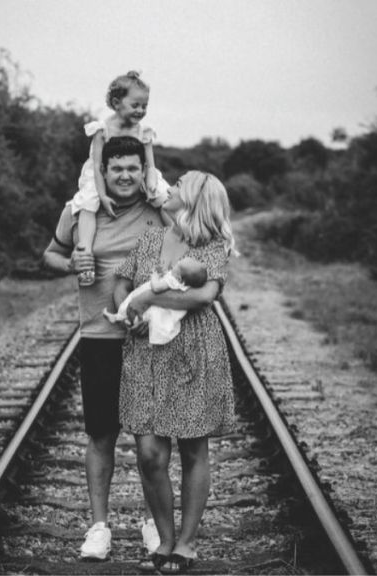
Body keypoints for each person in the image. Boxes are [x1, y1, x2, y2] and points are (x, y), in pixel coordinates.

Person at [42, 136, 165, 560]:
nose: (126, 175)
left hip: (150, 339)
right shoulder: (81, 210)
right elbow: (51, 254)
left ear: (142, 169)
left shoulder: (157, 209)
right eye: (117, 169)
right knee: (100, 435)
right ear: (104, 171)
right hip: (97, 337)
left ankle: (154, 525)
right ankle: (99, 528)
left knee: (150, 442)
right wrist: (70, 263)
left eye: (133, 167)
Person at [113, 171, 238, 574]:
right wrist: (127, 312)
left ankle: (184, 543)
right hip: (144, 350)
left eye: (178, 182)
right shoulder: (150, 237)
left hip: (192, 352)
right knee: (150, 453)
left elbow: (206, 294)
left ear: (196, 198)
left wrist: (148, 295)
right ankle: (164, 538)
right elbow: (121, 281)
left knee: (192, 448)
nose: (168, 187)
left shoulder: (212, 243)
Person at [69, 70, 170, 286]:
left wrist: (151, 185)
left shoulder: (143, 130)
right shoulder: (103, 129)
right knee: (87, 202)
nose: (141, 111)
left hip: (138, 172)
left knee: (163, 195)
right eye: (135, 105)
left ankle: (179, 237)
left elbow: (150, 164)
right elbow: (97, 165)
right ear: (117, 103)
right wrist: (103, 195)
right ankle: (85, 250)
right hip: (103, 174)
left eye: (144, 106)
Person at [103, 257, 208, 345]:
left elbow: (156, 288)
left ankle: (118, 317)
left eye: (178, 265)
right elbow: (122, 285)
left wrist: (154, 276)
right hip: (154, 308)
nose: (176, 264)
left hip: (151, 306)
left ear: (179, 277)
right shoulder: (180, 283)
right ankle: (121, 318)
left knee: (134, 310)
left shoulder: (172, 281)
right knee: (136, 314)